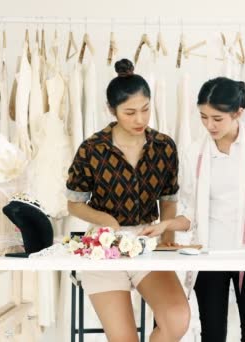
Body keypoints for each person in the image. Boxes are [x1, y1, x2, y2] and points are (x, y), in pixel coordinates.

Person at [146, 77, 245, 341]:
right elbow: (190, 214)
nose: (209, 125)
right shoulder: (194, 152)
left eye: (217, 119)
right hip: (210, 255)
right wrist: (166, 225)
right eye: (203, 117)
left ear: (238, 113)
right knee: (212, 336)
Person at [65, 58, 190, 342]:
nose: (140, 119)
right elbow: (73, 203)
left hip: (146, 243)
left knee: (177, 318)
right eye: (130, 112)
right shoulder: (92, 148)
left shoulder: (163, 147)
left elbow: (168, 198)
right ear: (112, 111)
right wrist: (105, 221)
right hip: (103, 247)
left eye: (145, 110)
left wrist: (168, 241)